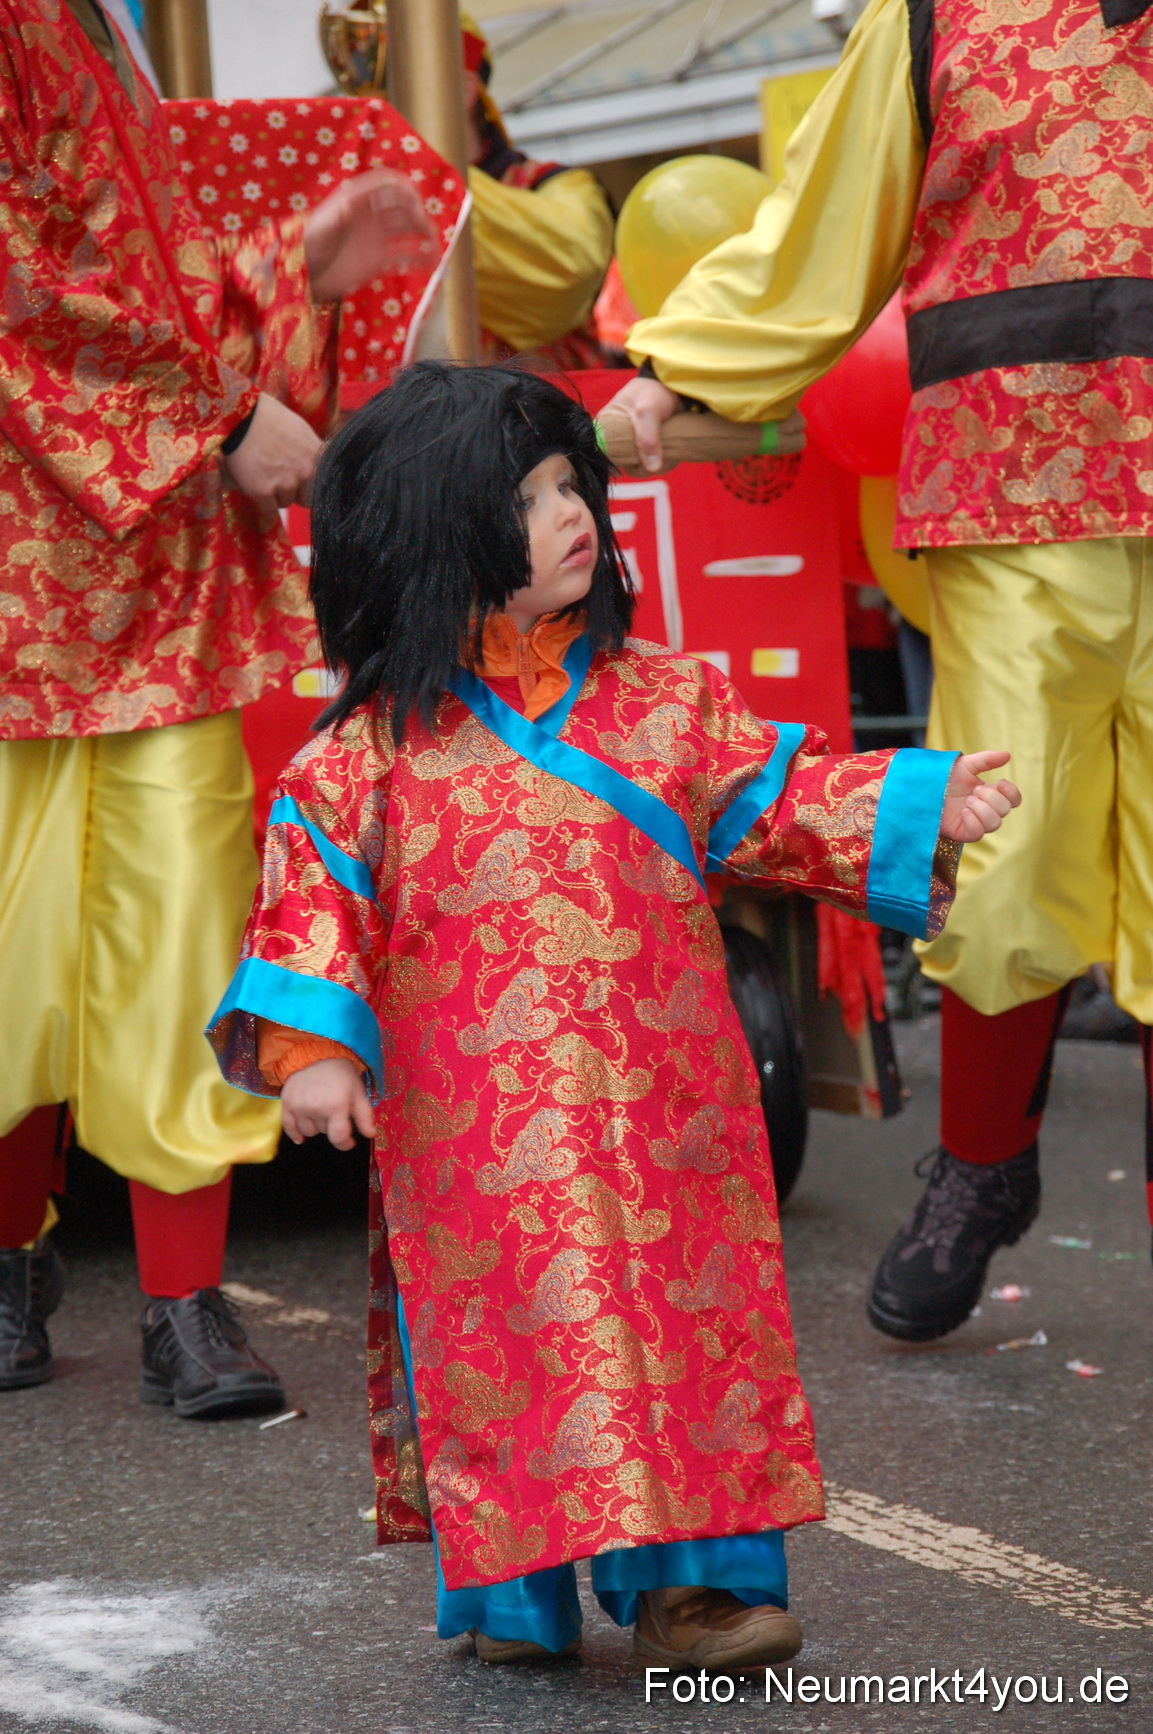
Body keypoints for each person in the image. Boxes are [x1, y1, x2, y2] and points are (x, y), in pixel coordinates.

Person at [207, 363, 1017, 1666]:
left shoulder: (666, 700)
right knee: (504, 1351)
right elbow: (310, 901)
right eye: (525, 499)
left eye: (568, 481)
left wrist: (913, 799)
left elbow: (771, 794)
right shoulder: (360, 757)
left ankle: (702, 1589)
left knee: (695, 1335)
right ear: (427, 533)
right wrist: (310, 1051)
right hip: (476, 1150)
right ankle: (511, 1595)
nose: (571, 511)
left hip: (674, 1118)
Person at [604, 0, 1153, 1343]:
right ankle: (982, 1161)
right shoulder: (935, 17)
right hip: (1014, 493)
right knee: (1003, 857)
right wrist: (672, 376)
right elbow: (819, 223)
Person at [0, 0, 434, 1411]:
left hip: (168, 575)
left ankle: (184, 1304)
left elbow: (140, 283)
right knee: (13, 955)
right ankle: (10, 1262)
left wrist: (290, 264)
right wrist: (224, 416)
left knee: (180, 926)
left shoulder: (93, 23)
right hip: (17, 577)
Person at [459, 14, 614, 364]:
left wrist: (428, 177)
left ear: (465, 90)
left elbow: (572, 268)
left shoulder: (557, 185)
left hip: (542, 409)